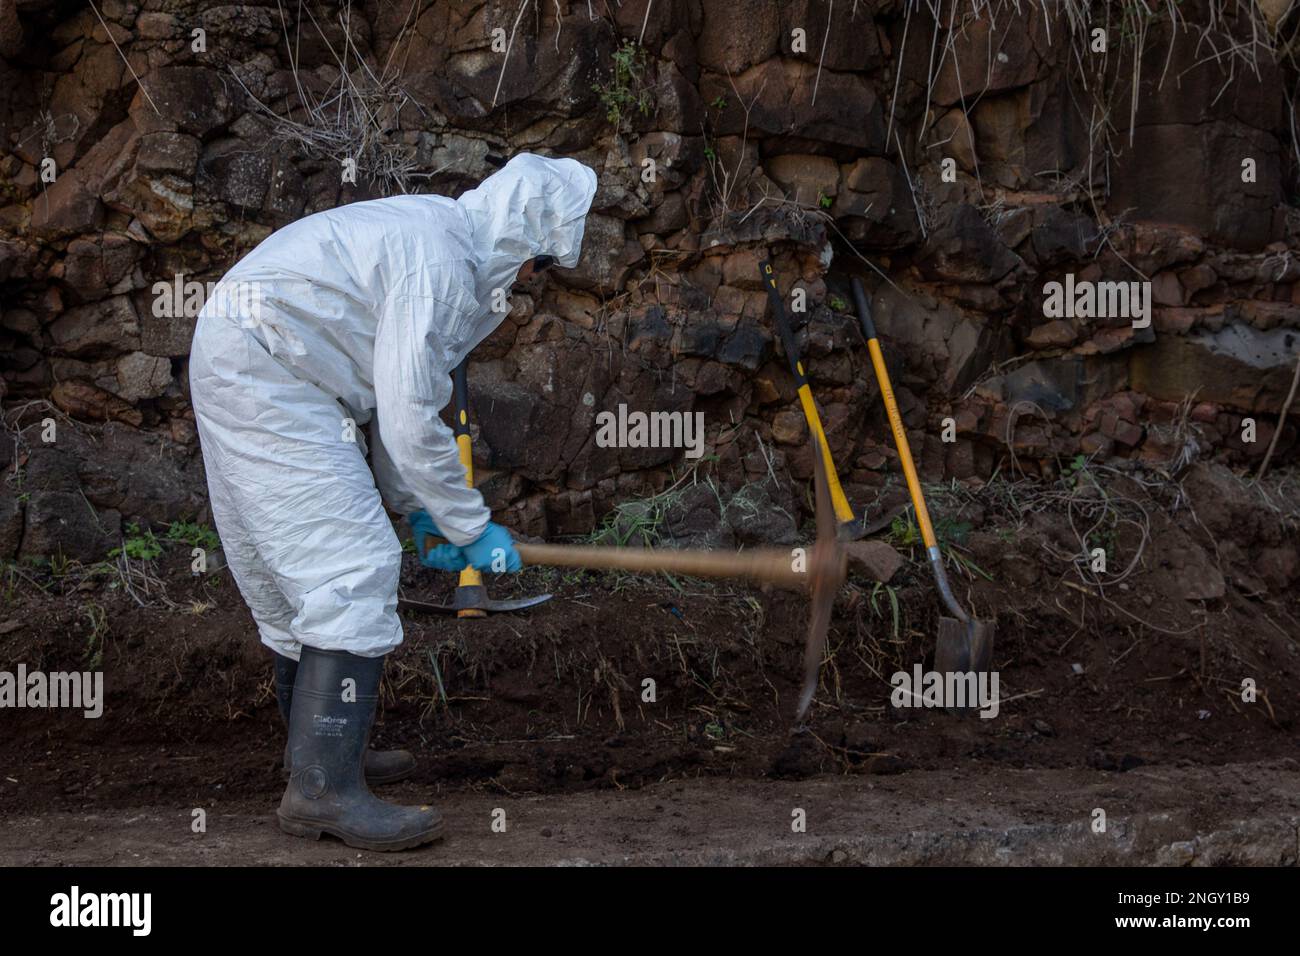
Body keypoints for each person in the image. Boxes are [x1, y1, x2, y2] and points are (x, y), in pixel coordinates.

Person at [189, 154, 598, 851]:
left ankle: (319, 755)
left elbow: (387, 404)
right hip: (269, 367)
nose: (534, 277)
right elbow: (409, 421)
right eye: (539, 260)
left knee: (306, 575)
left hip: (260, 360)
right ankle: (321, 791)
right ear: (520, 239)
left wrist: (420, 511)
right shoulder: (439, 265)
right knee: (348, 567)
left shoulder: (440, 242)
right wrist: (469, 525)